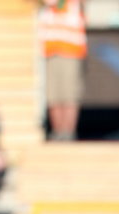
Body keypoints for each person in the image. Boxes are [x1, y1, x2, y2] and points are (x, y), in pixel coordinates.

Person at [39, 0, 86, 141]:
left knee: (70, 94)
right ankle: (58, 132)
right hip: (50, 50)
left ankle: (68, 132)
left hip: (71, 50)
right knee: (53, 94)